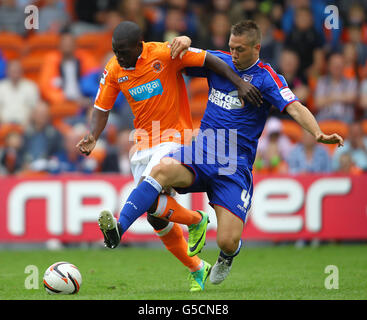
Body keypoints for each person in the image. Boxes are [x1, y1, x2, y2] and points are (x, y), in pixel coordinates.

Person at [90, 20, 343, 288]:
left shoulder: (267, 77)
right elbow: (171, 60)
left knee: (227, 240)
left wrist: (317, 133)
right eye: (231, 48)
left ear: (256, 47)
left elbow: (294, 107)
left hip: (234, 165)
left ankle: (226, 255)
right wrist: (184, 39)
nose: (233, 54)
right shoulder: (219, 63)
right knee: (159, 173)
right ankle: (120, 228)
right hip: (202, 150)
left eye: (240, 50)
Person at [76, 21, 262, 292]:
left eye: (124, 51)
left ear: (139, 46)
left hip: (175, 138)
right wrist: (93, 135)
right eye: (115, 51)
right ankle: (197, 261)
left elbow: (210, 59)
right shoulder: (114, 69)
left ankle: (118, 229)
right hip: (142, 142)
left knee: (147, 189)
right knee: (155, 214)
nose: (119, 56)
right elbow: (101, 107)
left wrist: (238, 82)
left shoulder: (164, 54)